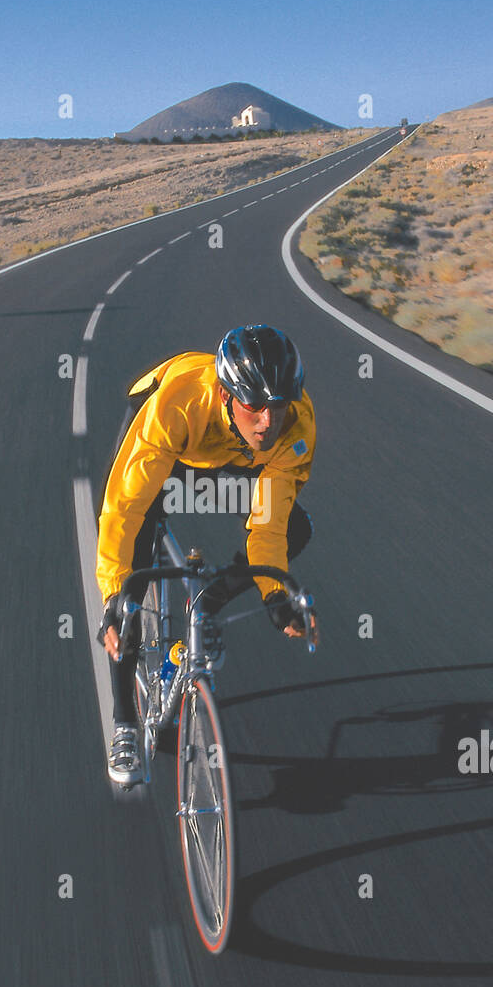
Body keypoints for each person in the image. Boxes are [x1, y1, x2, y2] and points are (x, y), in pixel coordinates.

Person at [96, 324, 317, 784]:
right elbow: (124, 507)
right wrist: (114, 593)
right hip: (171, 449)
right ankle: (123, 725)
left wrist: (274, 597)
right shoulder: (179, 405)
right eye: (254, 405)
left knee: (296, 528)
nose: (268, 422)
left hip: (228, 462)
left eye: (277, 406)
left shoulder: (296, 424)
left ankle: (205, 606)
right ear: (224, 393)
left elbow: (269, 525)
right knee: (129, 597)